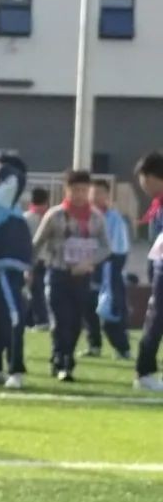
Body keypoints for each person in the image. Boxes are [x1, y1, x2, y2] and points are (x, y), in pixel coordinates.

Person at [32, 170, 111, 382]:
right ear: (67, 190)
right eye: (75, 190)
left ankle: (65, 358)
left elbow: (106, 247)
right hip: (58, 273)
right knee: (60, 320)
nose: (80, 194)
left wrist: (90, 262)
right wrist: (29, 268)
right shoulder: (55, 215)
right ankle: (62, 361)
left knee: (76, 322)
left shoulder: (96, 217)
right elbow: (37, 244)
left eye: (84, 190)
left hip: (82, 276)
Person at [0, 154, 33, 389]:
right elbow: (16, 177)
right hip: (2, 263)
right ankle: (15, 369)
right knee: (13, 314)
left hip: (2, 264)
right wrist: (3, 170)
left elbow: (16, 177)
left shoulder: (0, 196)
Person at [82, 179, 131, 360]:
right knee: (88, 309)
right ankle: (94, 345)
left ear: (107, 196)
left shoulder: (114, 218)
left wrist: (106, 268)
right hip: (86, 268)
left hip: (108, 269)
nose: (95, 196)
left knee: (109, 311)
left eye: (99, 193)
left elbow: (119, 249)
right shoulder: (84, 216)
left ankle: (122, 348)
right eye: (92, 192)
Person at [133, 153, 163, 391]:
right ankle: (145, 371)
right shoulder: (157, 205)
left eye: (144, 180)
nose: (143, 186)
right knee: (156, 319)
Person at [24, 187, 51, 331]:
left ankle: (38, 320)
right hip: (44, 259)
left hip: (30, 259)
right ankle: (35, 320)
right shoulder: (48, 217)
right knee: (37, 291)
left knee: (35, 290)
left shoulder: (26, 217)